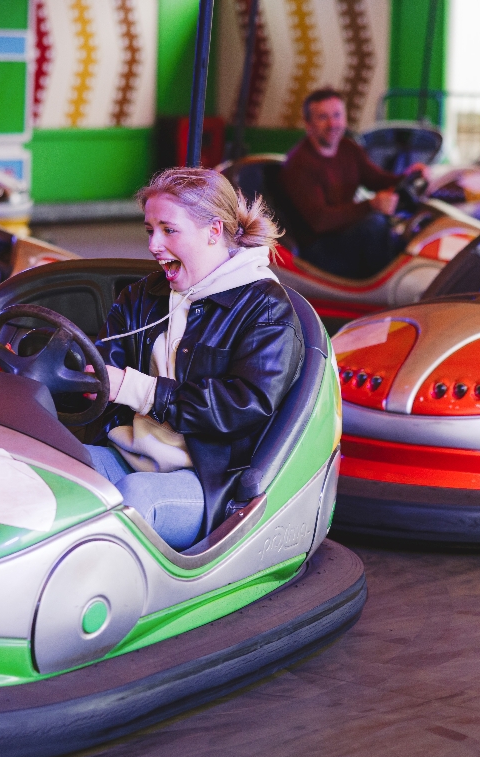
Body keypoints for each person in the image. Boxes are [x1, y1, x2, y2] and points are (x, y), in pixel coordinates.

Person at [87, 168, 303, 551]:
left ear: (213, 231)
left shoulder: (264, 308)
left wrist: (142, 391)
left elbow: (243, 406)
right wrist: (63, 375)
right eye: (149, 229)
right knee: (48, 465)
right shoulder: (142, 297)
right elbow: (105, 369)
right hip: (130, 452)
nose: (154, 245)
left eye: (169, 230)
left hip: (206, 478)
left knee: (136, 498)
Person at [281, 88, 407, 279]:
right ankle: (385, 293)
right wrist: (371, 205)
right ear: (309, 124)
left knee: (400, 233)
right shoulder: (299, 164)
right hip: (317, 250)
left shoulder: (348, 148)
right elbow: (320, 221)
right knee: (374, 225)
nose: (332, 124)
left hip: (345, 235)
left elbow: (377, 180)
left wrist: (409, 176)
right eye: (323, 117)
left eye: (337, 115)